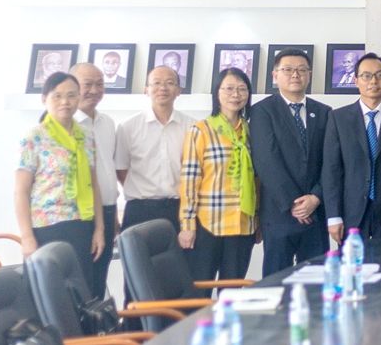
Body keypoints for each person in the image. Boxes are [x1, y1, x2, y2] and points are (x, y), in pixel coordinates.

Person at [15, 72, 104, 290]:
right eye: (57, 96)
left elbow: (94, 186)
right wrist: (26, 237)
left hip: (81, 225)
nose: (65, 101)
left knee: (82, 293)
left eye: (71, 95)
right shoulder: (34, 136)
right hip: (46, 228)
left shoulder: (86, 136)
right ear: (44, 99)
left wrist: (99, 229)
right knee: (50, 294)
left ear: (78, 98)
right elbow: (21, 192)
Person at [250, 49, 332, 276]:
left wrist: (315, 197)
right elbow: (267, 161)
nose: (295, 74)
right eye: (288, 69)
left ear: (309, 75)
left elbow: (331, 161)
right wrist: (293, 203)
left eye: (301, 70)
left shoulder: (324, 112)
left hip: (316, 212)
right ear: (275, 75)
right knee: (277, 282)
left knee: (317, 281)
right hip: (279, 213)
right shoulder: (261, 112)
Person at [323, 53, 381, 243]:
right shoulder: (338, 118)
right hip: (350, 213)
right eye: (366, 76)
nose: (373, 81)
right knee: (352, 262)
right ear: (356, 80)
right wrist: (333, 216)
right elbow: (331, 170)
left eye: (380, 75)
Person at [179, 68, 258, 282]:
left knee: (232, 290)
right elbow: (189, 180)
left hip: (243, 224)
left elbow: (257, 180)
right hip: (208, 224)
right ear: (217, 92)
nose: (236, 94)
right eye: (229, 88)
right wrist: (187, 225)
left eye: (242, 89)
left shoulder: (252, 131)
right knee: (200, 289)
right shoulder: (201, 130)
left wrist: (258, 220)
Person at [115, 66, 195, 234]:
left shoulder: (192, 126)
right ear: (146, 90)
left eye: (170, 83)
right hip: (140, 209)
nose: (163, 88)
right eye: (156, 83)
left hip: (179, 208)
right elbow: (121, 169)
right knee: (135, 252)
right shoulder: (128, 127)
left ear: (179, 91)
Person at [69, 63, 119, 299]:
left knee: (100, 277)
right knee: (79, 281)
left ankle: (98, 323)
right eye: (87, 84)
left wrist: (114, 214)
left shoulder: (107, 122)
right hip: (80, 216)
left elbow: (109, 169)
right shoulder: (66, 124)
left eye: (100, 84)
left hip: (107, 211)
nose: (95, 90)